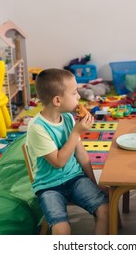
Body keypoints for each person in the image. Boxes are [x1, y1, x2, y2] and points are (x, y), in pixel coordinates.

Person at [26, 68, 109, 235]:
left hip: (74, 178)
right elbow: (58, 162)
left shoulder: (69, 118)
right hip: (48, 186)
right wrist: (76, 132)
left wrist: (93, 183)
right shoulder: (37, 128)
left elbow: (82, 155)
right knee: (62, 230)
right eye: (74, 93)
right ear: (57, 100)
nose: (79, 97)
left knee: (105, 210)